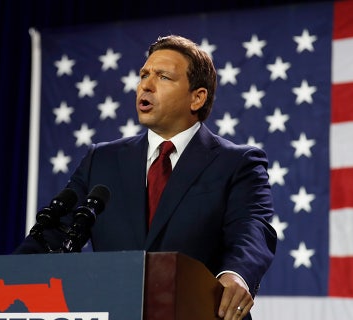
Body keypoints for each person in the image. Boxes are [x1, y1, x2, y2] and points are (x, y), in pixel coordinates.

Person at [15, 35, 277, 320]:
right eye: (144, 75)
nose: (146, 85)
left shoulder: (237, 162)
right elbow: (55, 233)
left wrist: (236, 274)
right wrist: (9, 275)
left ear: (197, 97)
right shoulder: (101, 160)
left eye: (163, 77)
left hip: (201, 312)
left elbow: (252, 229)